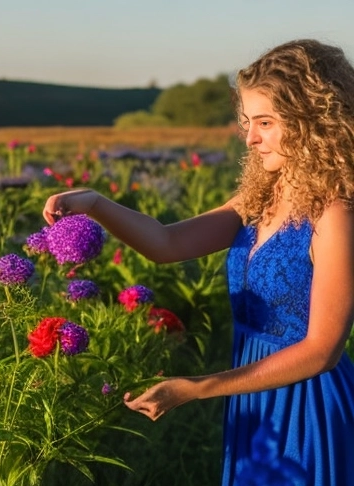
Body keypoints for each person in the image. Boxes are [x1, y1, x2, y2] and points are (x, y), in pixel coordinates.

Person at [42, 39, 354, 485]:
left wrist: (197, 387)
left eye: (266, 122)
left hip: (306, 406)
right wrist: (95, 204)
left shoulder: (335, 214)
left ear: (313, 121)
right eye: (248, 122)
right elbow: (166, 243)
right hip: (251, 399)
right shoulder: (260, 198)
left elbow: (322, 350)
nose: (250, 138)